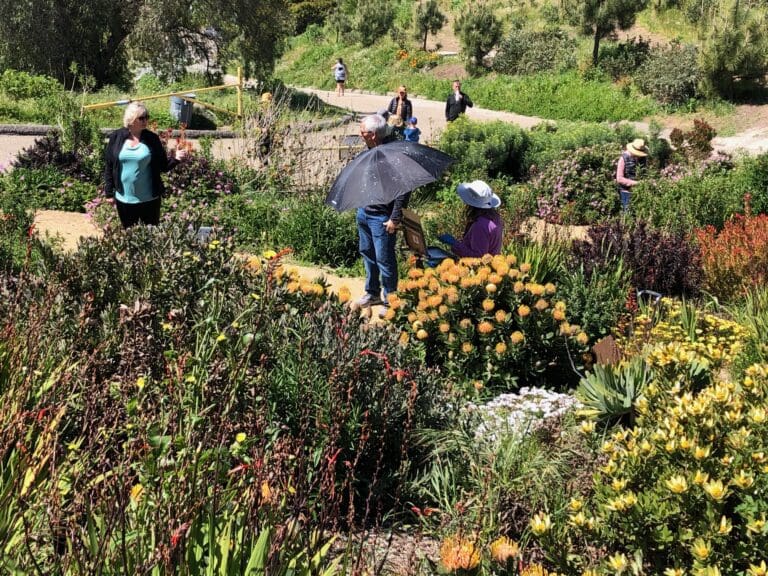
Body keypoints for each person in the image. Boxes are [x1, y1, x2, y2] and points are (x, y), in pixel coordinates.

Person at [104, 102, 186, 228]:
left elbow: (163, 166)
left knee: (150, 234)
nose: (145, 120)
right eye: (141, 118)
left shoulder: (152, 139)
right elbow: (109, 165)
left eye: (147, 117)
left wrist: (176, 159)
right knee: (129, 235)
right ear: (131, 119)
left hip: (149, 199)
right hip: (124, 199)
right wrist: (109, 193)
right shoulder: (117, 136)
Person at [355, 114, 407, 308]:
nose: (361, 135)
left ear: (374, 135)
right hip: (364, 212)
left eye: (364, 132)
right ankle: (372, 293)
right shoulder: (368, 151)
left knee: (384, 259)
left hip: (382, 216)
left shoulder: (391, 155)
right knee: (368, 254)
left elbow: (403, 189)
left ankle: (390, 299)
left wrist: (395, 217)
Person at [438, 180, 503, 258]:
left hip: (482, 269)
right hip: (493, 265)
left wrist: (454, 243)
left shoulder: (481, 225)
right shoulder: (494, 218)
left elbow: (478, 257)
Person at [616, 138, 648, 211]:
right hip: (626, 191)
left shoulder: (643, 158)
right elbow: (619, 178)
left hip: (640, 190)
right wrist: (637, 183)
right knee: (627, 212)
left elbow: (645, 172)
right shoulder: (624, 158)